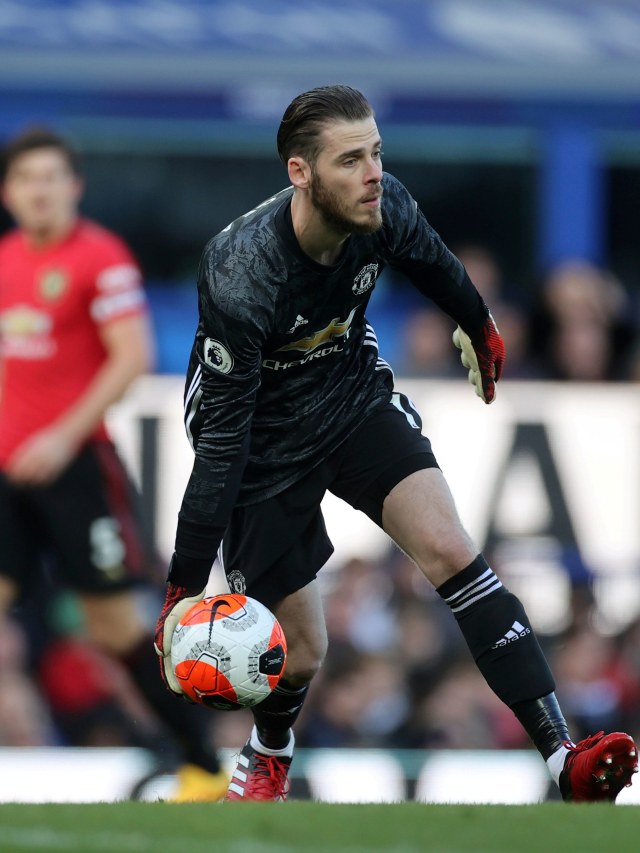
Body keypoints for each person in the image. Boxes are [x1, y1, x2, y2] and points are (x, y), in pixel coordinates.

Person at [154, 85, 638, 803]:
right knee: (304, 649)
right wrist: (182, 584)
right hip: (258, 438)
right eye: (350, 160)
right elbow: (222, 448)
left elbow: (437, 264)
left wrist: (479, 327)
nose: (373, 172)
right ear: (301, 172)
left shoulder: (385, 207)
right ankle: (270, 752)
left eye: (376, 152)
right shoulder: (239, 271)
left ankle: (562, 755)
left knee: (451, 550)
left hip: (350, 397)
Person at [0, 128, 228, 801]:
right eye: (26, 179)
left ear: (73, 187)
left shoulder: (100, 257)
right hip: (10, 472)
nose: (38, 190)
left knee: (114, 628)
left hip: (76, 467)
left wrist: (60, 437)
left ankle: (203, 763)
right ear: (9, 193)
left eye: (51, 177)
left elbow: (131, 357)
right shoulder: (6, 258)